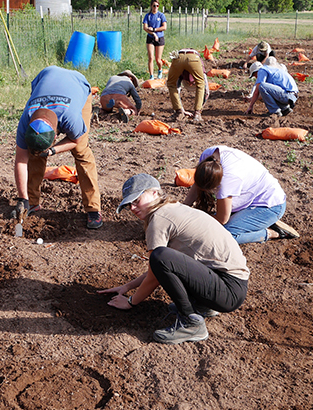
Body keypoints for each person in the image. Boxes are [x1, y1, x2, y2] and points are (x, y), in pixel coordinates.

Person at [98, 174, 249, 345]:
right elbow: (164, 267)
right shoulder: (173, 209)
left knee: (160, 256)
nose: (132, 208)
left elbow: (157, 268)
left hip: (227, 291)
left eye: (137, 200)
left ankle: (192, 323)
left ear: (155, 193)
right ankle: (202, 306)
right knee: (164, 258)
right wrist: (127, 286)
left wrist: (131, 302)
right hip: (229, 286)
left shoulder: (159, 219)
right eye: (128, 204)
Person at [14, 65, 103, 230]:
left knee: (81, 152)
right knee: (35, 153)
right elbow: (20, 161)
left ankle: (93, 208)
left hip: (79, 87)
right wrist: (22, 199)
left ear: (55, 136)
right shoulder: (26, 120)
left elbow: (76, 140)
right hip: (47, 75)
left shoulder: (70, 118)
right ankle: (31, 203)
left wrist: (53, 150)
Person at [183, 146, 298, 244]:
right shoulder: (208, 157)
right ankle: (251, 220)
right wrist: (183, 207)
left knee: (224, 235)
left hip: (271, 205)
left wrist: (195, 221)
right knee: (212, 224)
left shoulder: (227, 181)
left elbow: (222, 219)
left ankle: (271, 232)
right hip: (250, 199)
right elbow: (198, 184)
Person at [166, 48, 209, 123]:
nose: (190, 84)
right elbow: (206, 91)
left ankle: (178, 113)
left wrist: (181, 110)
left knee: (171, 84)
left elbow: (176, 89)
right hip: (193, 57)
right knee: (201, 84)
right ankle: (197, 115)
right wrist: (200, 108)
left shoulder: (180, 74)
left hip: (178, 57)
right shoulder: (199, 66)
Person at [142, 0, 167, 80]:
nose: (156, 7)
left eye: (157, 5)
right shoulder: (148, 16)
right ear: (151, 6)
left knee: (158, 59)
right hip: (150, 38)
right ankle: (151, 76)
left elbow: (164, 27)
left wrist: (154, 30)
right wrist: (152, 33)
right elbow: (145, 28)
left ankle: (160, 69)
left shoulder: (161, 15)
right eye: (154, 5)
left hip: (160, 38)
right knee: (151, 58)